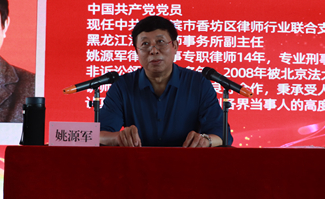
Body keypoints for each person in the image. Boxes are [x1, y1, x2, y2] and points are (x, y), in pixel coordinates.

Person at [99, 16, 233, 147]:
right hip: (137, 160)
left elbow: (223, 135)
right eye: (145, 44)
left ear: (175, 46)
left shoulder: (198, 84)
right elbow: (96, 134)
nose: (154, 51)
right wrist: (118, 137)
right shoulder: (122, 86)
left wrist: (206, 141)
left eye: (160, 42)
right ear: (137, 52)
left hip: (187, 160)